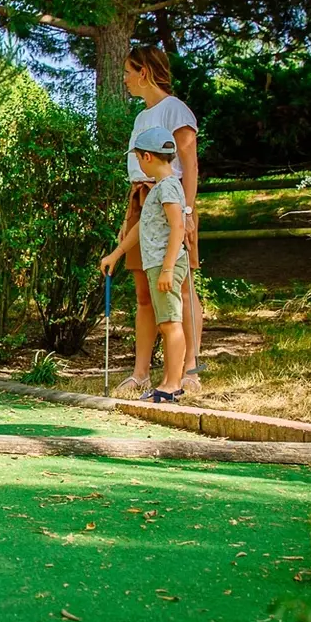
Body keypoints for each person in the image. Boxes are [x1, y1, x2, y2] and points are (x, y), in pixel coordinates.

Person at [113, 48, 204, 397]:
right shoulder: (141, 118)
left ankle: (189, 368)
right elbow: (136, 172)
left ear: (145, 73)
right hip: (141, 203)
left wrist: (187, 210)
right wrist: (127, 219)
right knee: (144, 292)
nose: (124, 78)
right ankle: (140, 373)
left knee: (179, 285)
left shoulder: (175, 109)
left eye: (127, 71)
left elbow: (189, 164)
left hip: (171, 202)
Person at [100, 129, 190, 403]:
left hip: (166, 264)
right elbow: (142, 227)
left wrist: (166, 268)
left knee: (170, 324)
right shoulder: (159, 189)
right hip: (157, 264)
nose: (138, 163)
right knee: (165, 323)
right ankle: (167, 382)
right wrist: (115, 254)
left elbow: (178, 227)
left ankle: (172, 385)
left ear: (147, 156)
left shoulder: (169, 187)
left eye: (138, 158)